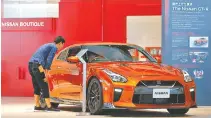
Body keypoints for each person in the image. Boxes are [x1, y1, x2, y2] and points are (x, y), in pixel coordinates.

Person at [28, 36, 65, 111]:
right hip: (38, 65)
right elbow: (49, 59)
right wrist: (46, 73)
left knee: (37, 86)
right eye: (63, 45)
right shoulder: (54, 47)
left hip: (31, 64)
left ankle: (37, 105)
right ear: (60, 43)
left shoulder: (47, 45)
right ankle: (49, 106)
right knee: (44, 85)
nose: (62, 47)